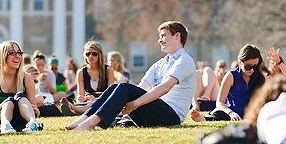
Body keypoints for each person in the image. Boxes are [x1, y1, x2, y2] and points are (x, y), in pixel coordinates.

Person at [65, 21, 196, 131]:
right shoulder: (161, 63)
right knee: (117, 87)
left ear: (177, 36)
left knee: (125, 87)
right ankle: (83, 119)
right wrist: (123, 101)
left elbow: (165, 87)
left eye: (163, 36)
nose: (159, 40)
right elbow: (142, 87)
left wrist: (136, 103)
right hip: (154, 112)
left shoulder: (184, 60)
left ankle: (91, 123)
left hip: (171, 117)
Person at [191, 44, 266, 122]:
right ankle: (204, 119)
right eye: (248, 67)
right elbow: (219, 102)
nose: (252, 70)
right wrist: (230, 113)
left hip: (252, 114)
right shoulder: (231, 76)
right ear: (240, 62)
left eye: (255, 66)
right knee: (218, 112)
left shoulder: (261, 78)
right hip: (231, 113)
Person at [0, 41, 42, 134]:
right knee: (10, 100)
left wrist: (36, 112)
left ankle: (33, 123)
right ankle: (5, 125)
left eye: (19, 53)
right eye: (12, 53)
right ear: (2, 56)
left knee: (20, 96)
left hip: (20, 120)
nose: (17, 56)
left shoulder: (26, 78)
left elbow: (34, 108)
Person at [61, 41, 115, 116]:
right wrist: (82, 98)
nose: (90, 56)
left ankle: (73, 108)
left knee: (97, 103)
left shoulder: (108, 70)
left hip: (104, 100)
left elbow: (111, 94)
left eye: (94, 54)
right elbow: (81, 95)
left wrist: (96, 99)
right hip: (88, 102)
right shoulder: (81, 72)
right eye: (88, 54)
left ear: (100, 55)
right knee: (83, 103)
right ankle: (76, 109)